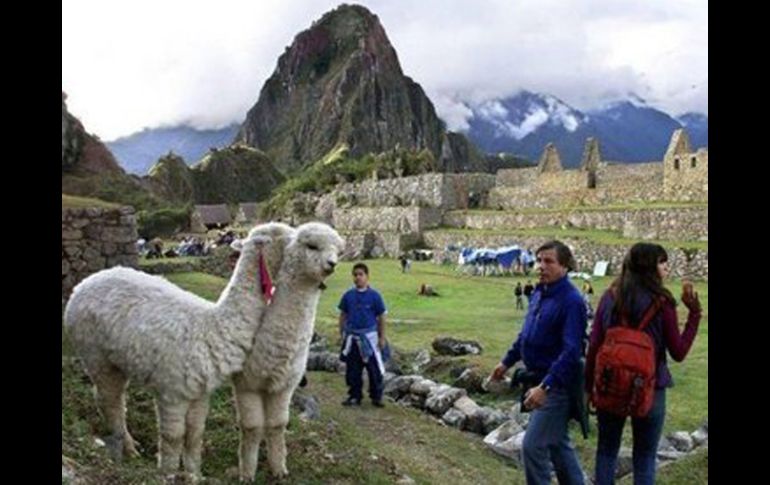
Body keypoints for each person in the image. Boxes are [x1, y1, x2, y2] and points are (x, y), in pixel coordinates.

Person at [585, 243, 701, 485]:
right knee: (645, 457)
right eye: (662, 262)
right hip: (650, 384)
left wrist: (589, 387)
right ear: (650, 266)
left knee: (606, 450)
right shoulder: (662, 303)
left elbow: (595, 346)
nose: (666, 268)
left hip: (610, 382)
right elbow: (678, 352)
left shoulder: (610, 297)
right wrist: (694, 315)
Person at [489, 241, 587, 484]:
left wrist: (546, 387)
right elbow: (526, 335)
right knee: (557, 444)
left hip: (556, 385)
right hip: (535, 378)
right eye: (539, 260)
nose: (541, 266)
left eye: (549, 261)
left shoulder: (572, 300)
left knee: (532, 447)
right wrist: (506, 362)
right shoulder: (539, 293)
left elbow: (572, 350)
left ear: (565, 266)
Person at [338, 263, 388, 408]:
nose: (358, 278)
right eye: (355, 275)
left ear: (367, 276)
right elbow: (343, 315)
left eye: (361, 274)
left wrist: (382, 337)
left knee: (374, 370)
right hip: (352, 338)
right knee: (353, 370)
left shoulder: (375, 296)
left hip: (370, 338)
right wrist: (341, 333)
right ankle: (354, 396)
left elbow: (382, 317)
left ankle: (376, 397)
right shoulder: (348, 296)